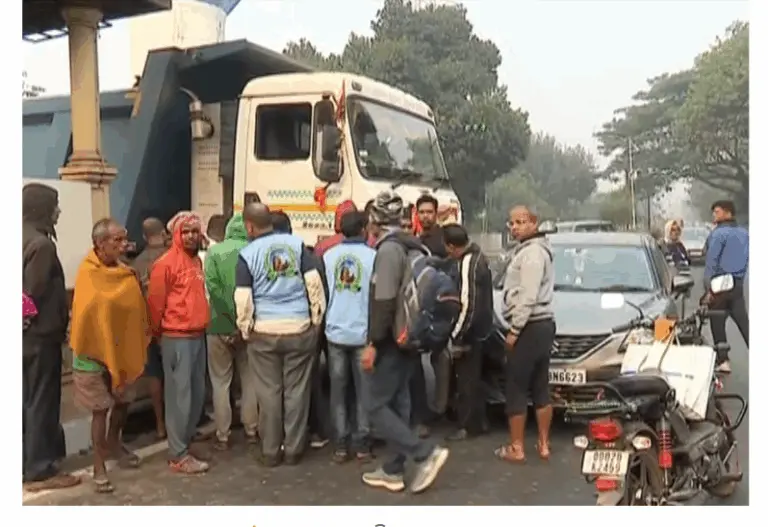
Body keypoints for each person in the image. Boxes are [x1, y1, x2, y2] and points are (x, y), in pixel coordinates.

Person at [361, 191, 449, 494]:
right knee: (400, 403)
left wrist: (373, 342)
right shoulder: (415, 246)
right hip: (411, 336)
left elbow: (384, 300)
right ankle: (393, 470)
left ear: (375, 220)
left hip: (392, 340)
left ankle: (424, 453)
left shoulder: (388, 250)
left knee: (373, 405)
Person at [235, 203, 326, 466]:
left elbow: (243, 298)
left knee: (269, 393)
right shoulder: (297, 246)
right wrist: (315, 319)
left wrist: (245, 328)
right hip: (298, 329)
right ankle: (294, 449)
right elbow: (314, 284)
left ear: (249, 226)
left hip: (263, 332)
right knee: (297, 391)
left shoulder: (247, 254)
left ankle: (271, 451)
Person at [69, 219, 150, 493]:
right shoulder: (87, 273)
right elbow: (89, 314)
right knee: (100, 410)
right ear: (100, 244)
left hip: (122, 352)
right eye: (116, 240)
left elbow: (135, 311)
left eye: (124, 239)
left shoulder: (127, 273)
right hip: (91, 356)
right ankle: (99, 465)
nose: (123, 244)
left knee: (125, 400)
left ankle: (115, 443)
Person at [22, 183, 81, 492]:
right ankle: (40, 470)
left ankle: (27, 462)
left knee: (26, 401)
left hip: (26, 339)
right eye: (55, 206)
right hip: (39, 338)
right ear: (42, 208)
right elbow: (29, 295)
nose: (58, 212)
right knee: (41, 402)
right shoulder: (41, 246)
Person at [148, 211, 212, 474]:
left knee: (196, 396)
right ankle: (177, 454)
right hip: (177, 338)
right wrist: (159, 335)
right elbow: (155, 304)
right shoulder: (165, 264)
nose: (190, 236)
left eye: (194, 231)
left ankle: (182, 444)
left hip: (197, 336)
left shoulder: (196, 261)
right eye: (185, 232)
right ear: (175, 234)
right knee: (179, 398)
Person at [496, 205, 555, 463]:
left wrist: (515, 329)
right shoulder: (534, 250)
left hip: (530, 325)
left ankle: (517, 447)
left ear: (535, 223)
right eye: (512, 223)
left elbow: (528, 296)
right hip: (543, 325)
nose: (516, 227)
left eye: (521, 222)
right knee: (541, 386)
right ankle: (543, 445)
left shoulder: (532, 254)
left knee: (517, 387)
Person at [271, 209, 332, 449]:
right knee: (307, 381)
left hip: (270, 329)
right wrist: (317, 323)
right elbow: (319, 290)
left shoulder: (256, 252)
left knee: (277, 387)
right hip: (305, 327)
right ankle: (313, 431)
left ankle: (279, 439)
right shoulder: (306, 254)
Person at [204, 213, 260, 450]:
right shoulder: (253, 251)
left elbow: (213, 290)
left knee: (220, 382)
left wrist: (228, 320)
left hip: (218, 326)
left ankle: (223, 435)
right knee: (250, 381)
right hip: (248, 327)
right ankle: (251, 430)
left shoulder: (214, 254)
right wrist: (241, 322)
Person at [323, 210, 375, 462]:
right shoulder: (374, 257)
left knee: (338, 392)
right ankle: (363, 444)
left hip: (335, 332)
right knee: (364, 392)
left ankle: (341, 446)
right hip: (363, 334)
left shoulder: (329, 256)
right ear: (364, 228)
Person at [442, 224, 493, 442]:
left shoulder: (468, 263)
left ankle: (467, 426)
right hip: (480, 330)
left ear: (452, 247)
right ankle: (478, 422)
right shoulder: (478, 256)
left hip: (470, 333)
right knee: (474, 379)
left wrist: (456, 335)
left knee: (466, 381)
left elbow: (468, 303)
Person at [410, 194, 448, 437]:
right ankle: (421, 415)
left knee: (443, 358)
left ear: (436, 214)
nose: (425, 216)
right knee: (415, 363)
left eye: (429, 212)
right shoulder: (414, 240)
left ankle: (441, 408)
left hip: (442, 308)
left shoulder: (444, 240)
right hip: (419, 310)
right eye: (421, 212)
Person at [130, 217, 169, 440]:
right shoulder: (172, 257)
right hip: (171, 324)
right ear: (163, 232)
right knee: (175, 376)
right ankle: (177, 423)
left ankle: (160, 425)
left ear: (144, 236)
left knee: (154, 375)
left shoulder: (138, 263)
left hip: (147, 324)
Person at [704, 200, 749, 374]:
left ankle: (723, 360)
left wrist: (708, 287)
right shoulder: (744, 234)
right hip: (737, 284)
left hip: (719, 284)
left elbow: (711, 262)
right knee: (744, 323)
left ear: (728, 213)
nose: (714, 215)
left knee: (717, 321)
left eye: (717, 212)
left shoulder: (718, 234)